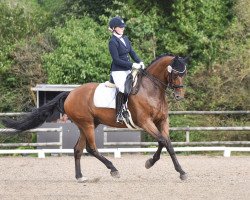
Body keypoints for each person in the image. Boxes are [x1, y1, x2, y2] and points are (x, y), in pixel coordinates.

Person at [108, 16, 145, 123]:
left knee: (139, 84)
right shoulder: (112, 42)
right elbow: (116, 60)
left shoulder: (125, 38)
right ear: (114, 28)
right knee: (123, 89)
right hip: (118, 70)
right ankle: (119, 113)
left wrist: (139, 61)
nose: (123, 28)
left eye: (123, 27)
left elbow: (132, 52)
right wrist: (132, 65)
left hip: (128, 68)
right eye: (120, 27)